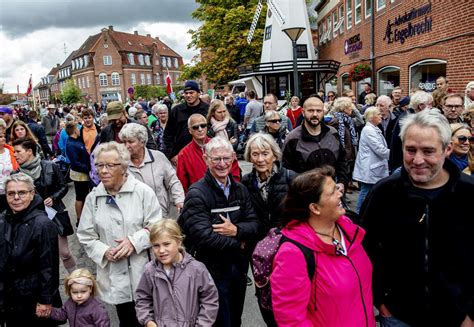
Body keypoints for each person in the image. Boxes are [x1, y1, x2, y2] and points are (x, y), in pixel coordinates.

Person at [361, 109, 474, 326]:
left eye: (428, 151)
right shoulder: (383, 193)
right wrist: (381, 301)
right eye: (410, 150)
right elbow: (366, 250)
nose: (418, 160)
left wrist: (471, 312)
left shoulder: (469, 194)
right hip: (398, 315)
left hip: (458, 317)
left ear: (447, 149)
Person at [271, 167, 375, 327]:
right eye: (333, 192)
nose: (341, 193)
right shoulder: (293, 253)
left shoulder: (349, 231)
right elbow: (291, 320)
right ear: (315, 208)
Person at [77, 141, 162, 327]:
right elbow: (85, 234)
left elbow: (157, 226)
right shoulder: (93, 198)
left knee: (151, 320)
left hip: (144, 272)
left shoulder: (142, 192)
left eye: (110, 165)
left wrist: (134, 242)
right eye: (99, 165)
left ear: (123, 167)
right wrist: (104, 251)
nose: (103, 171)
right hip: (115, 275)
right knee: (127, 320)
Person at [178, 136, 259, 327]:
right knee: (217, 321)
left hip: (238, 269)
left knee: (235, 318)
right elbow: (203, 237)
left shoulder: (240, 190)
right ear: (206, 159)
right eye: (216, 159)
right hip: (210, 270)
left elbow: (254, 224)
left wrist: (236, 229)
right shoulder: (197, 193)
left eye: (226, 159)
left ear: (233, 158)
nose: (222, 164)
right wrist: (239, 242)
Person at [0, 173, 61, 326]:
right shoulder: (3, 219)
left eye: (22, 192)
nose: (16, 197)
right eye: (11, 193)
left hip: (33, 300)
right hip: (10, 297)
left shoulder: (43, 224)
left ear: (32, 194)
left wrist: (45, 300)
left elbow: (49, 266)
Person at [135, 219, 219, 326]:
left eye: (166, 244)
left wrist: (202, 325)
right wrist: (148, 321)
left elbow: (210, 300)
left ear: (179, 242)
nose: (161, 250)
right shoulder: (149, 270)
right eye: (156, 245)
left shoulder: (197, 269)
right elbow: (142, 299)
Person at [13, 137, 77, 273]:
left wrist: (53, 197)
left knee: (65, 253)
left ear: (29, 151)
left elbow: (63, 186)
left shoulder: (50, 166)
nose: (15, 155)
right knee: (39, 257)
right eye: (14, 152)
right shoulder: (16, 175)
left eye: (18, 151)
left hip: (54, 215)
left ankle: (77, 280)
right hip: (31, 221)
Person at [119, 123, 185, 218]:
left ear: (142, 142)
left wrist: (179, 200)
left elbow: (172, 180)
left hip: (162, 214)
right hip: (136, 218)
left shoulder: (158, 157)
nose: (127, 146)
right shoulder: (121, 163)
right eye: (124, 142)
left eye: (131, 142)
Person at [282, 96, 349, 189]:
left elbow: (342, 161)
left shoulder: (333, 133)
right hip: (305, 196)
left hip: (331, 192)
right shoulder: (293, 138)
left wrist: (342, 182)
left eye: (318, 111)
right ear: (303, 112)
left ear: (323, 112)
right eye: (310, 110)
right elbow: (286, 172)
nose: (315, 114)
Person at [241, 133, 296, 240]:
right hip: (258, 240)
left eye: (265, 154)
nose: (260, 159)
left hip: (286, 239)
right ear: (250, 158)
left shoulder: (291, 178)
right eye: (255, 154)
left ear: (274, 155)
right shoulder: (246, 181)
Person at [176, 114, 240, 193]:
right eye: (195, 127)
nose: (200, 129)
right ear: (190, 130)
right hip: (199, 197)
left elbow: (234, 170)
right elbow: (182, 182)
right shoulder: (184, 154)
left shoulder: (221, 145)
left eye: (203, 125)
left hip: (225, 194)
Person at [352, 107, 390, 213]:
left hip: (373, 167)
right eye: (378, 114)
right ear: (371, 117)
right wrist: (395, 155)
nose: (381, 116)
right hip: (370, 167)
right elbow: (379, 149)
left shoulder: (373, 128)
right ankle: (359, 214)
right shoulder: (369, 130)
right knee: (365, 191)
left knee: (368, 190)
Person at [163, 80, 209, 164]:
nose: (188, 95)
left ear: (198, 93)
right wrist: (172, 154)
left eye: (191, 93)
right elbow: (168, 135)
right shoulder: (176, 111)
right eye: (186, 93)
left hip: (205, 153)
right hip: (181, 155)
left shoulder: (207, 110)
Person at [65, 120, 91, 223]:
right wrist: (88, 168)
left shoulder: (77, 140)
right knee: (80, 197)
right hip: (79, 175)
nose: (80, 129)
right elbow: (75, 163)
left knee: (84, 195)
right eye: (78, 128)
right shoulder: (71, 144)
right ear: (75, 130)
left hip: (83, 173)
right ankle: (79, 219)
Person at [0, 119, 18, 210]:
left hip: (11, 193)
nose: (3, 138)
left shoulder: (11, 151)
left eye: (3, 136)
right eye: (0, 136)